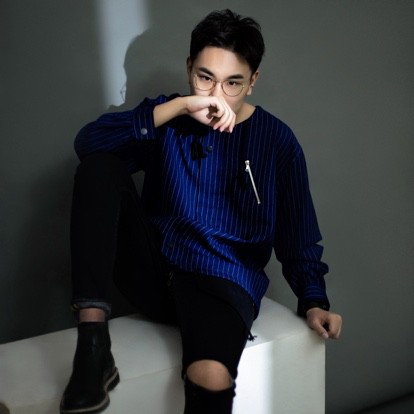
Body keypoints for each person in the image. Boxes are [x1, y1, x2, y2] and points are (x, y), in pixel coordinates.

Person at [60, 9, 342, 414]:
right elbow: (88, 144)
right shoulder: (171, 116)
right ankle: (92, 348)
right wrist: (177, 108)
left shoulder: (277, 141)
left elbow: (298, 233)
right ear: (189, 67)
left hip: (223, 280)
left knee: (211, 375)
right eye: (205, 78)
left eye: (233, 83)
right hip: (155, 272)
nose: (216, 95)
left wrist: (314, 299)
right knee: (100, 167)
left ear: (253, 81)